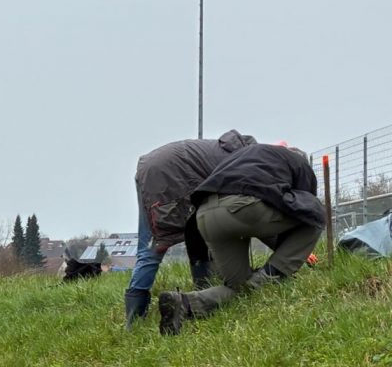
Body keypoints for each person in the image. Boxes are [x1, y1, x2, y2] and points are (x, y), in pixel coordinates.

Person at [159, 143, 324, 335]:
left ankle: (184, 303)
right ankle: (270, 278)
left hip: (204, 215)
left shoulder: (246, 156)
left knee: (241, 289)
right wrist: (291, 256)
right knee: (316, 216)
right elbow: (305, 210)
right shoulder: (298, 161)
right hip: (242, 207)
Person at [126, 130, 258, 328]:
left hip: (157, 167)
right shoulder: (246, 163)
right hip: (164, 175)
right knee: (155, 246)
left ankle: (201, 289)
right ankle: (134, 321)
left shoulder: (236, 154)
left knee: (197, 229)